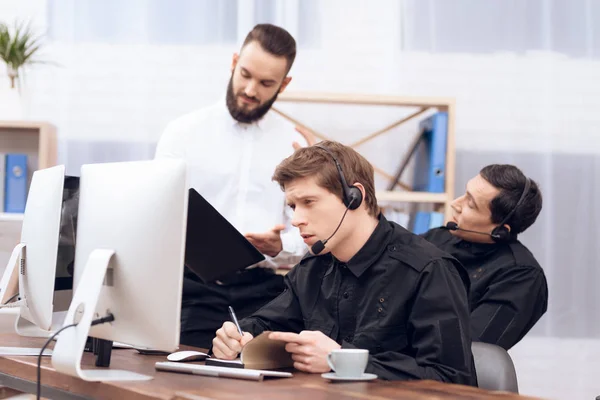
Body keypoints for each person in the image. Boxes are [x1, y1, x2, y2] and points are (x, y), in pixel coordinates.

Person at [211, 141, 476, 385]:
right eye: (293, 206)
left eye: (309, 202)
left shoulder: (429, 270)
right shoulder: (313, 268)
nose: (296, 219)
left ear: (354, 197)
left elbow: (451, 378)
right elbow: (267, 323)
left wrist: (341, 360)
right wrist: (237, 336)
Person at [155, 23, 315, 348]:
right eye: (245, 74)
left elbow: (316, 229)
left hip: (265, 290)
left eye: (266, 82)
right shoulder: (182, 133)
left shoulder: (296, 145)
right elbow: (157, 215)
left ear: (284, 84)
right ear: (233, 63)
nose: (251, 90)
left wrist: (282, 244)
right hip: (192, 289)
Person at [421, 164, 548, 350]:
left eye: (470, 204)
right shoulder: (437, 238)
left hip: (439, 374)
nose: (455, 204)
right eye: (464, 194)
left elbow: (466, 348)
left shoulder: (521, 276)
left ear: (499, 232)